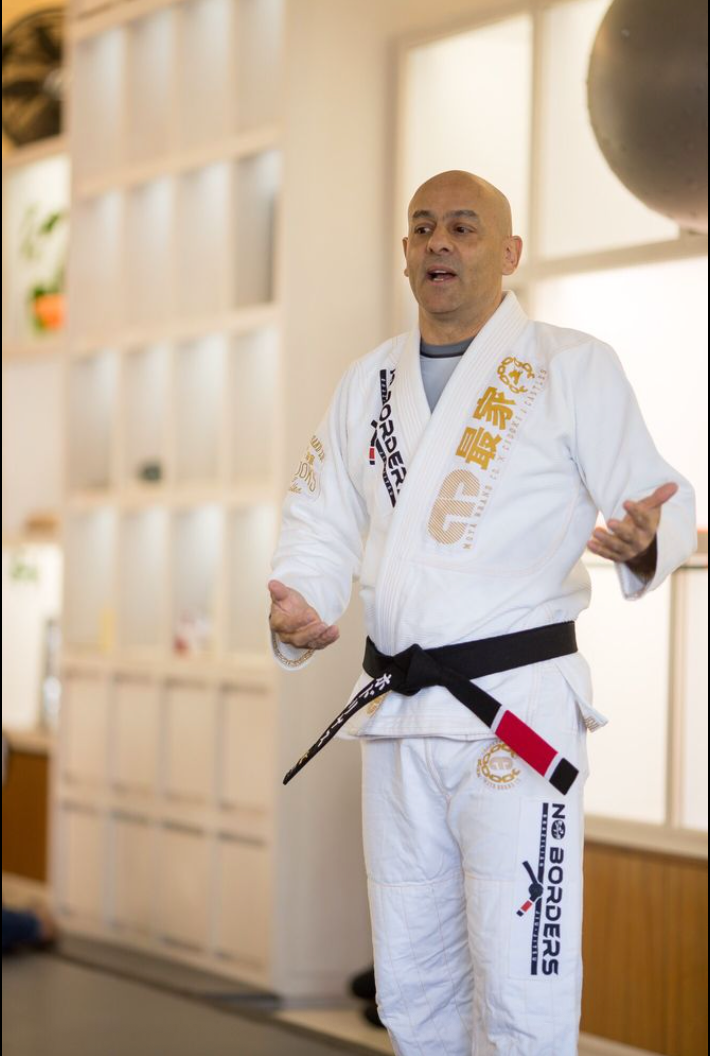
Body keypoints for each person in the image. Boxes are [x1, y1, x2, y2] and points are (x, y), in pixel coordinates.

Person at [267, 170, 696, 1055]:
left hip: (516, 717)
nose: (439, 242)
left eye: (463, 227)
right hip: (399, 713)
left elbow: (654, 495)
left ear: (509, 252)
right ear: (404, 253)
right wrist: (299, 604)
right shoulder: (367, 384)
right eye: (422, 227)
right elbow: (319, 517)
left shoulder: (571, 367)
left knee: (521, 976)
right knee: (412, 980)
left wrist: (642, 540)